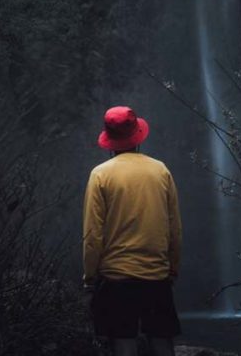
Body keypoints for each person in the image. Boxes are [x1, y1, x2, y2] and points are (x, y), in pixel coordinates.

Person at [82, 105, 182, 356]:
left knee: (123, 339)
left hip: (116, 277)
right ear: (138, 136)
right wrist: (172, 268)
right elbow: (174, 228)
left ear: (110, 141)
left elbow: (93, 234)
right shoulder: (160, 170)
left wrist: (89, 275)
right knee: (161, 339)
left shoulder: (100, 175)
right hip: (156, 273)